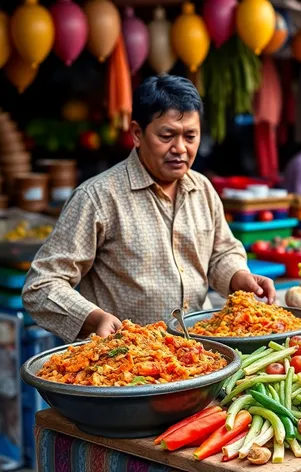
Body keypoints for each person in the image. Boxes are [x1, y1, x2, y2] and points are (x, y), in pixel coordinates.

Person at [22, 75, 275, 343]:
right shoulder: (98, 197)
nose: (180, 148)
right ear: (137, 134)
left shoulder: (203, 190)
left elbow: (221, 252)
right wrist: (93, 317)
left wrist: (239, 276)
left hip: (196, 355)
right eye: (167, 136)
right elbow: (41, 285)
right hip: (120, 364)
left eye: (190, 136)